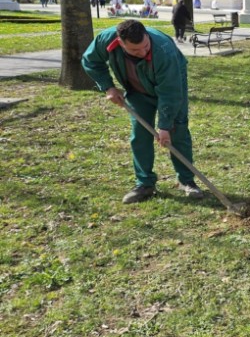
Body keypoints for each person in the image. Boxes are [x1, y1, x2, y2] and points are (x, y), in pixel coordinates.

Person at [81, 19, 204, 204]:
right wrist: (108, 87)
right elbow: (90, 60)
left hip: (172, 82)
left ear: (147, 35)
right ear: (121, 43)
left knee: (176, 130)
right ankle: (145, 184)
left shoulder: (163, 50)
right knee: (140, 133)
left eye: (145, 47)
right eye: (134, 50)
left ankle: (187, 181)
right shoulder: (105, 40)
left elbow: (170, 92)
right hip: (137, 89)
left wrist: (164, 126)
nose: (142, 52)